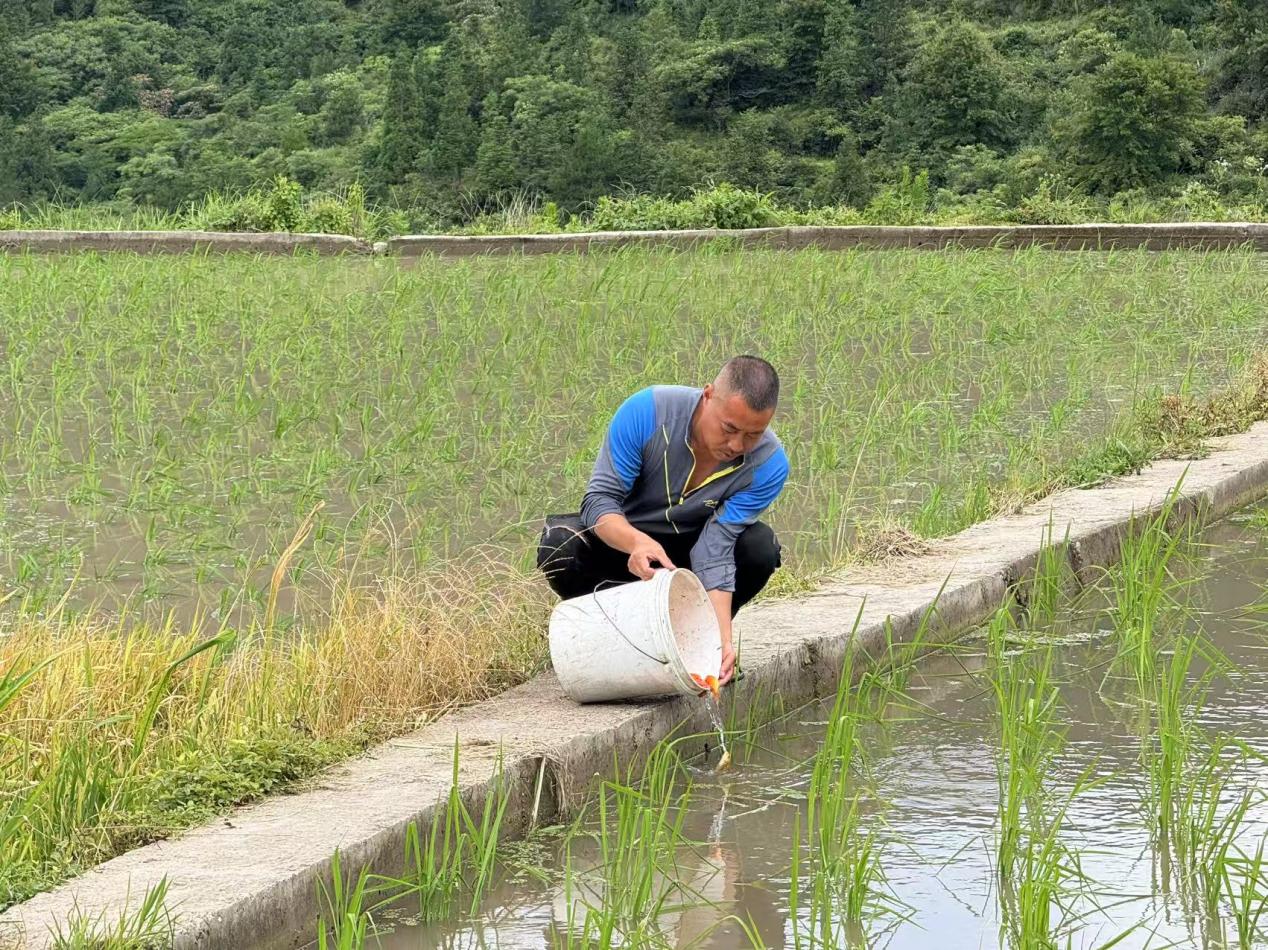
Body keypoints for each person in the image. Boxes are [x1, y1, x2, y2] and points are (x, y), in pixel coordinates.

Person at [537, 355, 789, 686]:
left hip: (689, 558)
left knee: (759, 548)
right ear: (708, 395)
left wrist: (720, 641)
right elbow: (599, 500)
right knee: (560, 544)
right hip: (625, 547)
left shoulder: (769, 464)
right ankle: (611, 638)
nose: (736, 445)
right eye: (729, 428)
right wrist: (635, 542)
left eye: (753, 434)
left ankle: (696, 640)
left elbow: (716, 547)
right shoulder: (648, 412)